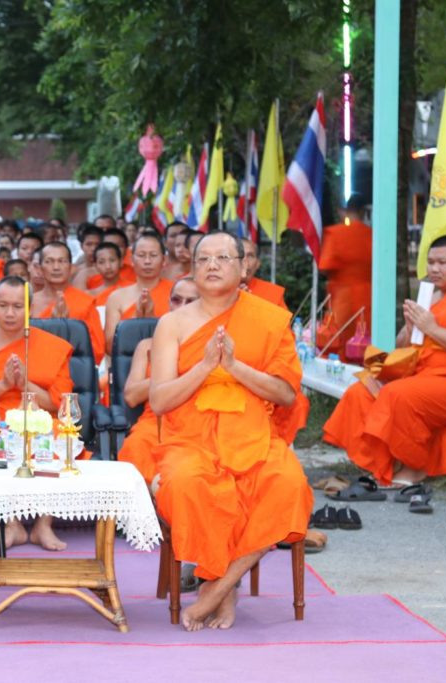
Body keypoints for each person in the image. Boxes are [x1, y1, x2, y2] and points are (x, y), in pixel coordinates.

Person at [149, 231, 312, 632]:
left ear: (243, 267)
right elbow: (159, 401)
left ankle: (220, 585)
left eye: (223, 258)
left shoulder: (269, 319)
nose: (212, 266)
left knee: (288, 484)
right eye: (203, 259)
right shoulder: (172, 324)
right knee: (187, 483)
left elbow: (286, 392)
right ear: (192, 269)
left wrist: (235, 367)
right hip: (190, 436)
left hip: (253, 433)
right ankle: (222, 584)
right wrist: (205, 367)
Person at [323, 235, 446, 489]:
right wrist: (409, 330)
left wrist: (430, 327)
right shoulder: (431, 299)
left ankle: (417, 466)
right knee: (362, 391)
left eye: (442, 262)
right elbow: (404, 349)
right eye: (430, 262)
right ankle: (384, 463)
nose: (434, 268)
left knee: (399, 395)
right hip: (424, 377)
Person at [0, 276, 74, 551]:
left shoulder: (51, 345)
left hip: (38, 419)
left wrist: (24, 385)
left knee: (58, 435)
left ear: (30, 308)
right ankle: (10, 523)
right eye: (3, 305)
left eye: (18, 306)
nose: (10, 313)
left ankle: (43, 526)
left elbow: (59, 405)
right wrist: (3, 385)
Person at [117, 277, 201, 485]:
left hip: (196, 422)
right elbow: (131, 396)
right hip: (154, 421)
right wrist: (171, 373)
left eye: (191, 301)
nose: (182, 307)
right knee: (134, 447)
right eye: (176, 300)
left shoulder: (208, 345)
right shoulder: (147, 345)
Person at [32, 242, 105, 363]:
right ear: (39, 269)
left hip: (73, 372)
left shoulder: (84, 303)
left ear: (71, 268)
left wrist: (66, 329)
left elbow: (96, 351)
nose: (56, 267)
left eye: (62, 261)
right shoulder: (28, 303)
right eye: (49, 261)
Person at [320, 196, 373, 358]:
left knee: (337, 342)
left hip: (343, 298)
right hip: (368, 296)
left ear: (344, 211)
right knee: (365, 340)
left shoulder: (335, 234)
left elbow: (324, 267)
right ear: (364, 212)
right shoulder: (372, 235)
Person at [103, 233, 173, 354]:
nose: (147, 261)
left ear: (164, 260)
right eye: (141, 255)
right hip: (128, 363)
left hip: (169, 359)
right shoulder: (117, 297)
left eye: (153, 255)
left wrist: (151, 321)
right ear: (132, 260)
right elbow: (110, 347)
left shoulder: (176, 293)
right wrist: (136, 320)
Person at [240, 239, 286, 308]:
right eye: (240, 255)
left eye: (250, 256)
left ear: (258, 264)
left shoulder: (272, 293)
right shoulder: (219, 291)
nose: (245, 261)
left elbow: (283, 319)